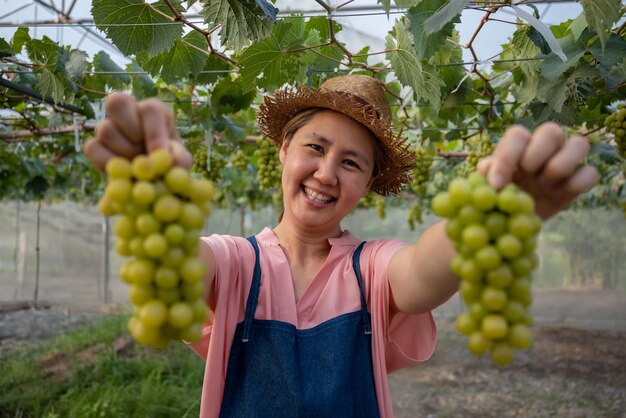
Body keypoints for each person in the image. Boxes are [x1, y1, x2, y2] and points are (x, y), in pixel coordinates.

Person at [84, 74, 599, 417]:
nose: (327, 173)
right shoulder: (235, 261)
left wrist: (486, 219)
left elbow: (425, 270)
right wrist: (151, 199)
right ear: (284, 151)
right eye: (315, 147)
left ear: (369, 182)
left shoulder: (371, 268)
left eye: (352, 163)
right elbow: (176, 267)